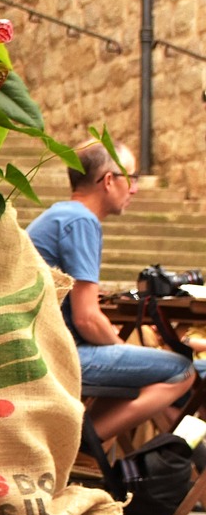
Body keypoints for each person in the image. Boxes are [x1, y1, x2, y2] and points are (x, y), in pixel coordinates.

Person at [27, 141, 198, 443]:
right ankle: (76, 445)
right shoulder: (81, 221)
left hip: (38, 348)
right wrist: (119, 348)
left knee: (139, 373)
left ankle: (83, 444)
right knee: (182, 370)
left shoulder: (62, 215)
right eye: (131, 178)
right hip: (57, 355)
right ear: (108, 180)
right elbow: (87, 320)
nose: (135, 188)